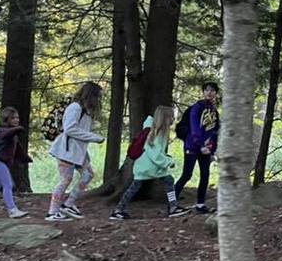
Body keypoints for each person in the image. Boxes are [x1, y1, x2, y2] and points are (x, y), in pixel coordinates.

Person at [111, 106, 190, 221]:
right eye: (171, 117)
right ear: (165, 119)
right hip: (150, 167)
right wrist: (168, 161)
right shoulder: (157, 134)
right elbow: (155, 154)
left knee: (136, 187)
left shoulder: (151, 130)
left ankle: (118, 209)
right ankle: (173, 207)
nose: (173, 119)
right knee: (165, 181)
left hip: (144, 166)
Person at [47, 81, 105, 221]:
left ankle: (68, 204)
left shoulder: (86, 111)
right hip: (66, 151)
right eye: (98, 96)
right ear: (90, 95)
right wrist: (94, 137)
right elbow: (70, 129)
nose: (99, 100)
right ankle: (52, 212)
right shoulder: (75, 108)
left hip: (78, 152)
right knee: (66, 179)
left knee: (88, 175)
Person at [174, 81, 220, 214]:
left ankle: (200, 204)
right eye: (206, 90)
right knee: (186, 175)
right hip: (192, 146)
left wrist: (211, 148)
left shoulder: (214, 111)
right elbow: (195, 128)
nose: (209, 93)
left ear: (216, 94)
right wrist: (200, 145)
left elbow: (215, 131)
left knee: (205, 175)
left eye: (212, 91)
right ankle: (172, 204)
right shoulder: (196, 107)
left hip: (206, 149)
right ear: (203, 92)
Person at [0, 107, 30, 218]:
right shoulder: (1, 130)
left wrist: (24, 159)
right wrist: (18, 129)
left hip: (1, 162)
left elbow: (18, 150)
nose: (17, 120)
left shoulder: (13, 134)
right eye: (13, 118)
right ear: (6, 119)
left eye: (17, 117)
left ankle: (12, 209)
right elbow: (5, 134)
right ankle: (12, 210)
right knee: (8, 184)